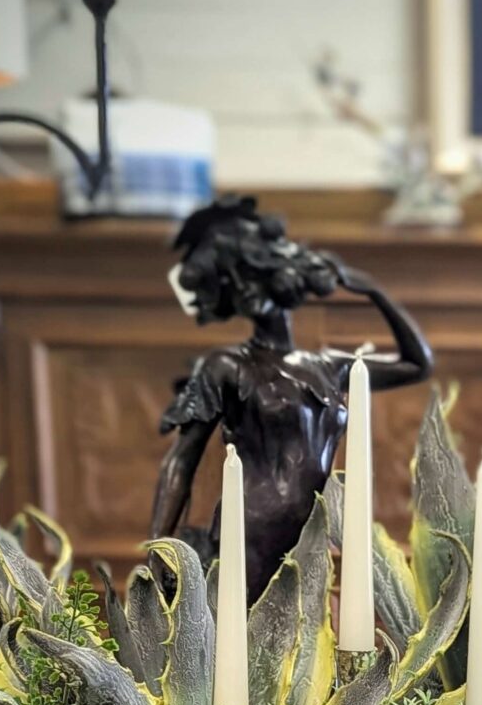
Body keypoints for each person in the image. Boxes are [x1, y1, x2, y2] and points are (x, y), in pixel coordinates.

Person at [150, 195, 433, 601]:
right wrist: (159, 543)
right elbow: (182, 456)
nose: (250, 290)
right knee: (240, 651)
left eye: (255, 277)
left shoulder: (331, 366)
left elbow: (417, 363)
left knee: (310, 651)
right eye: (238, 281)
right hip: (249, 532)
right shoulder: (227, 366)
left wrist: (373, 293)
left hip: (315, 534)